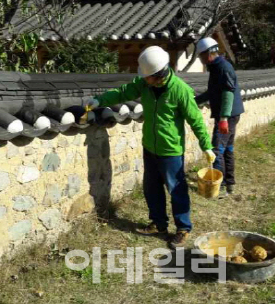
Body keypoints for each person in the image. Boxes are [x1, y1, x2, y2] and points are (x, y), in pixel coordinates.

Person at [87, 46, 215, 249]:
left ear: (159, 75)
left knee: (176, 190)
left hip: (171, 150)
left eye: (147, 77)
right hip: (150, 147)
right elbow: (123, 92)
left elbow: (196, 119)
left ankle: (183, 228)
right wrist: (100, 100)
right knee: (151, 188)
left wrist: (206, 146)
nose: (143, 80)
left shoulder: (180, 90)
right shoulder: (144, 85)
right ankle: (159, 223)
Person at [194, 37, 244, 198]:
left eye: (201, 56)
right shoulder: (215, 67)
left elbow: (228, 92)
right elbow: (212, 92)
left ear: (208, 53)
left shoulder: (223, 67)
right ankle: (230, 184)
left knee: (217, 149)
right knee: (228, 149)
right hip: (229, 114)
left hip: (227, 116)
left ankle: (220, 186)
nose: (201, 59)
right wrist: (193, 102)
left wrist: (223, 118)